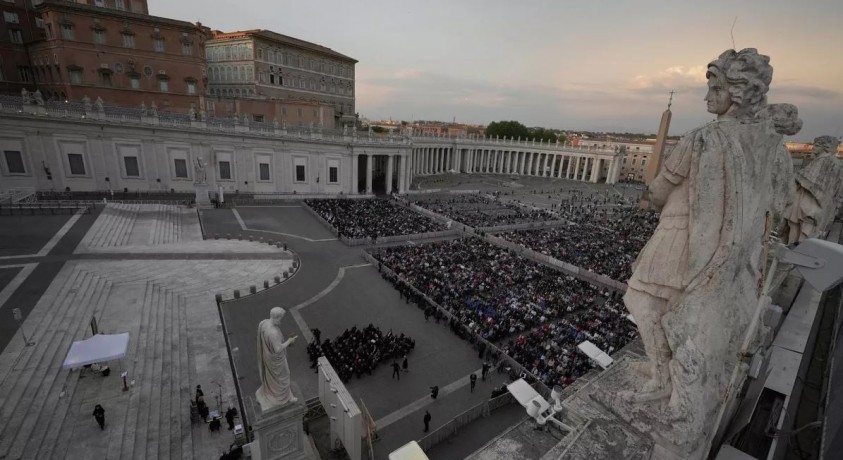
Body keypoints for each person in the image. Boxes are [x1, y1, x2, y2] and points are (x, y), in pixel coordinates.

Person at [256, 307, 298, 411]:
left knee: (273, 378)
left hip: (269, 358)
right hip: (276, 360)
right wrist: (289, 341)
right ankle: (283, 396)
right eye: (281, 318)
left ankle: (275, 392)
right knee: (284, 375)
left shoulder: (264, 323)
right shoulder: (273, 332)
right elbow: (278, 349)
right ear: (276, 317)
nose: (281, 320)